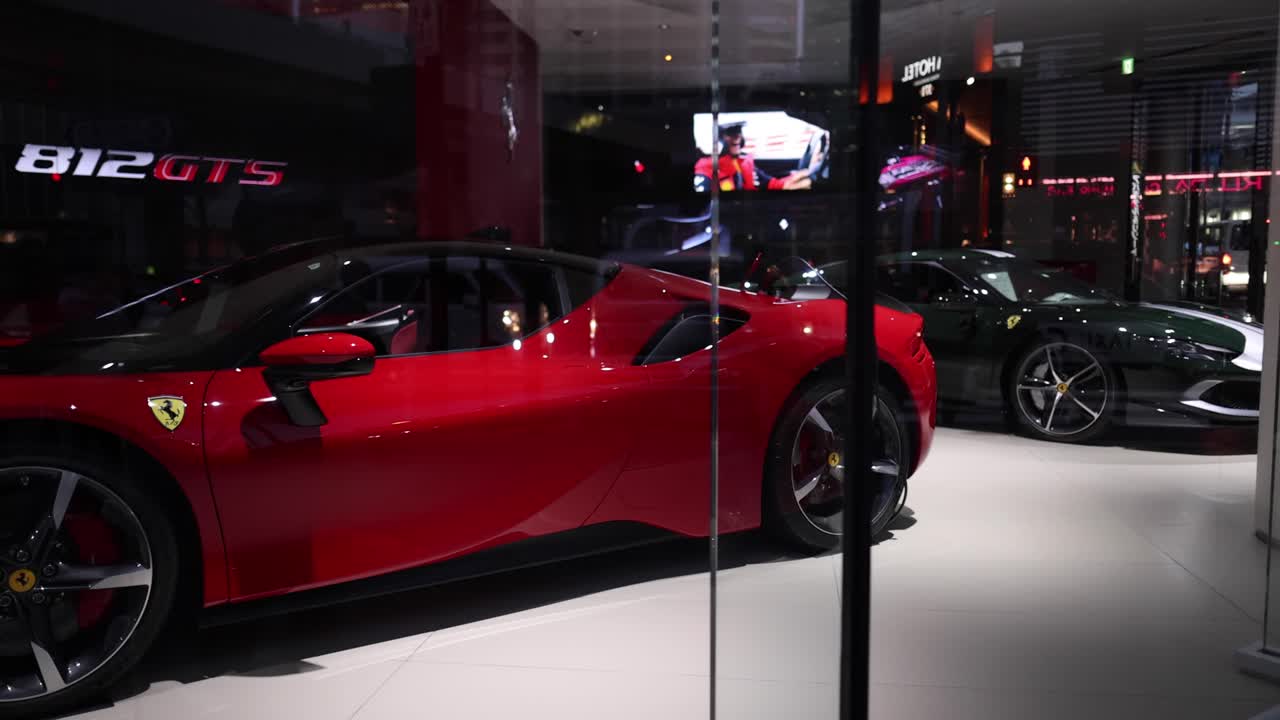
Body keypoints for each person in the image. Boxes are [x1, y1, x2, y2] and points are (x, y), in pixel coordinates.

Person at [694, 122, 818, 192]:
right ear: (717, 139)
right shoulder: (705, 169)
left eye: (738, 132)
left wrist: (805, 174)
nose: (737, 136)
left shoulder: (744, 162)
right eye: (731, 133)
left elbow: (772, 183)